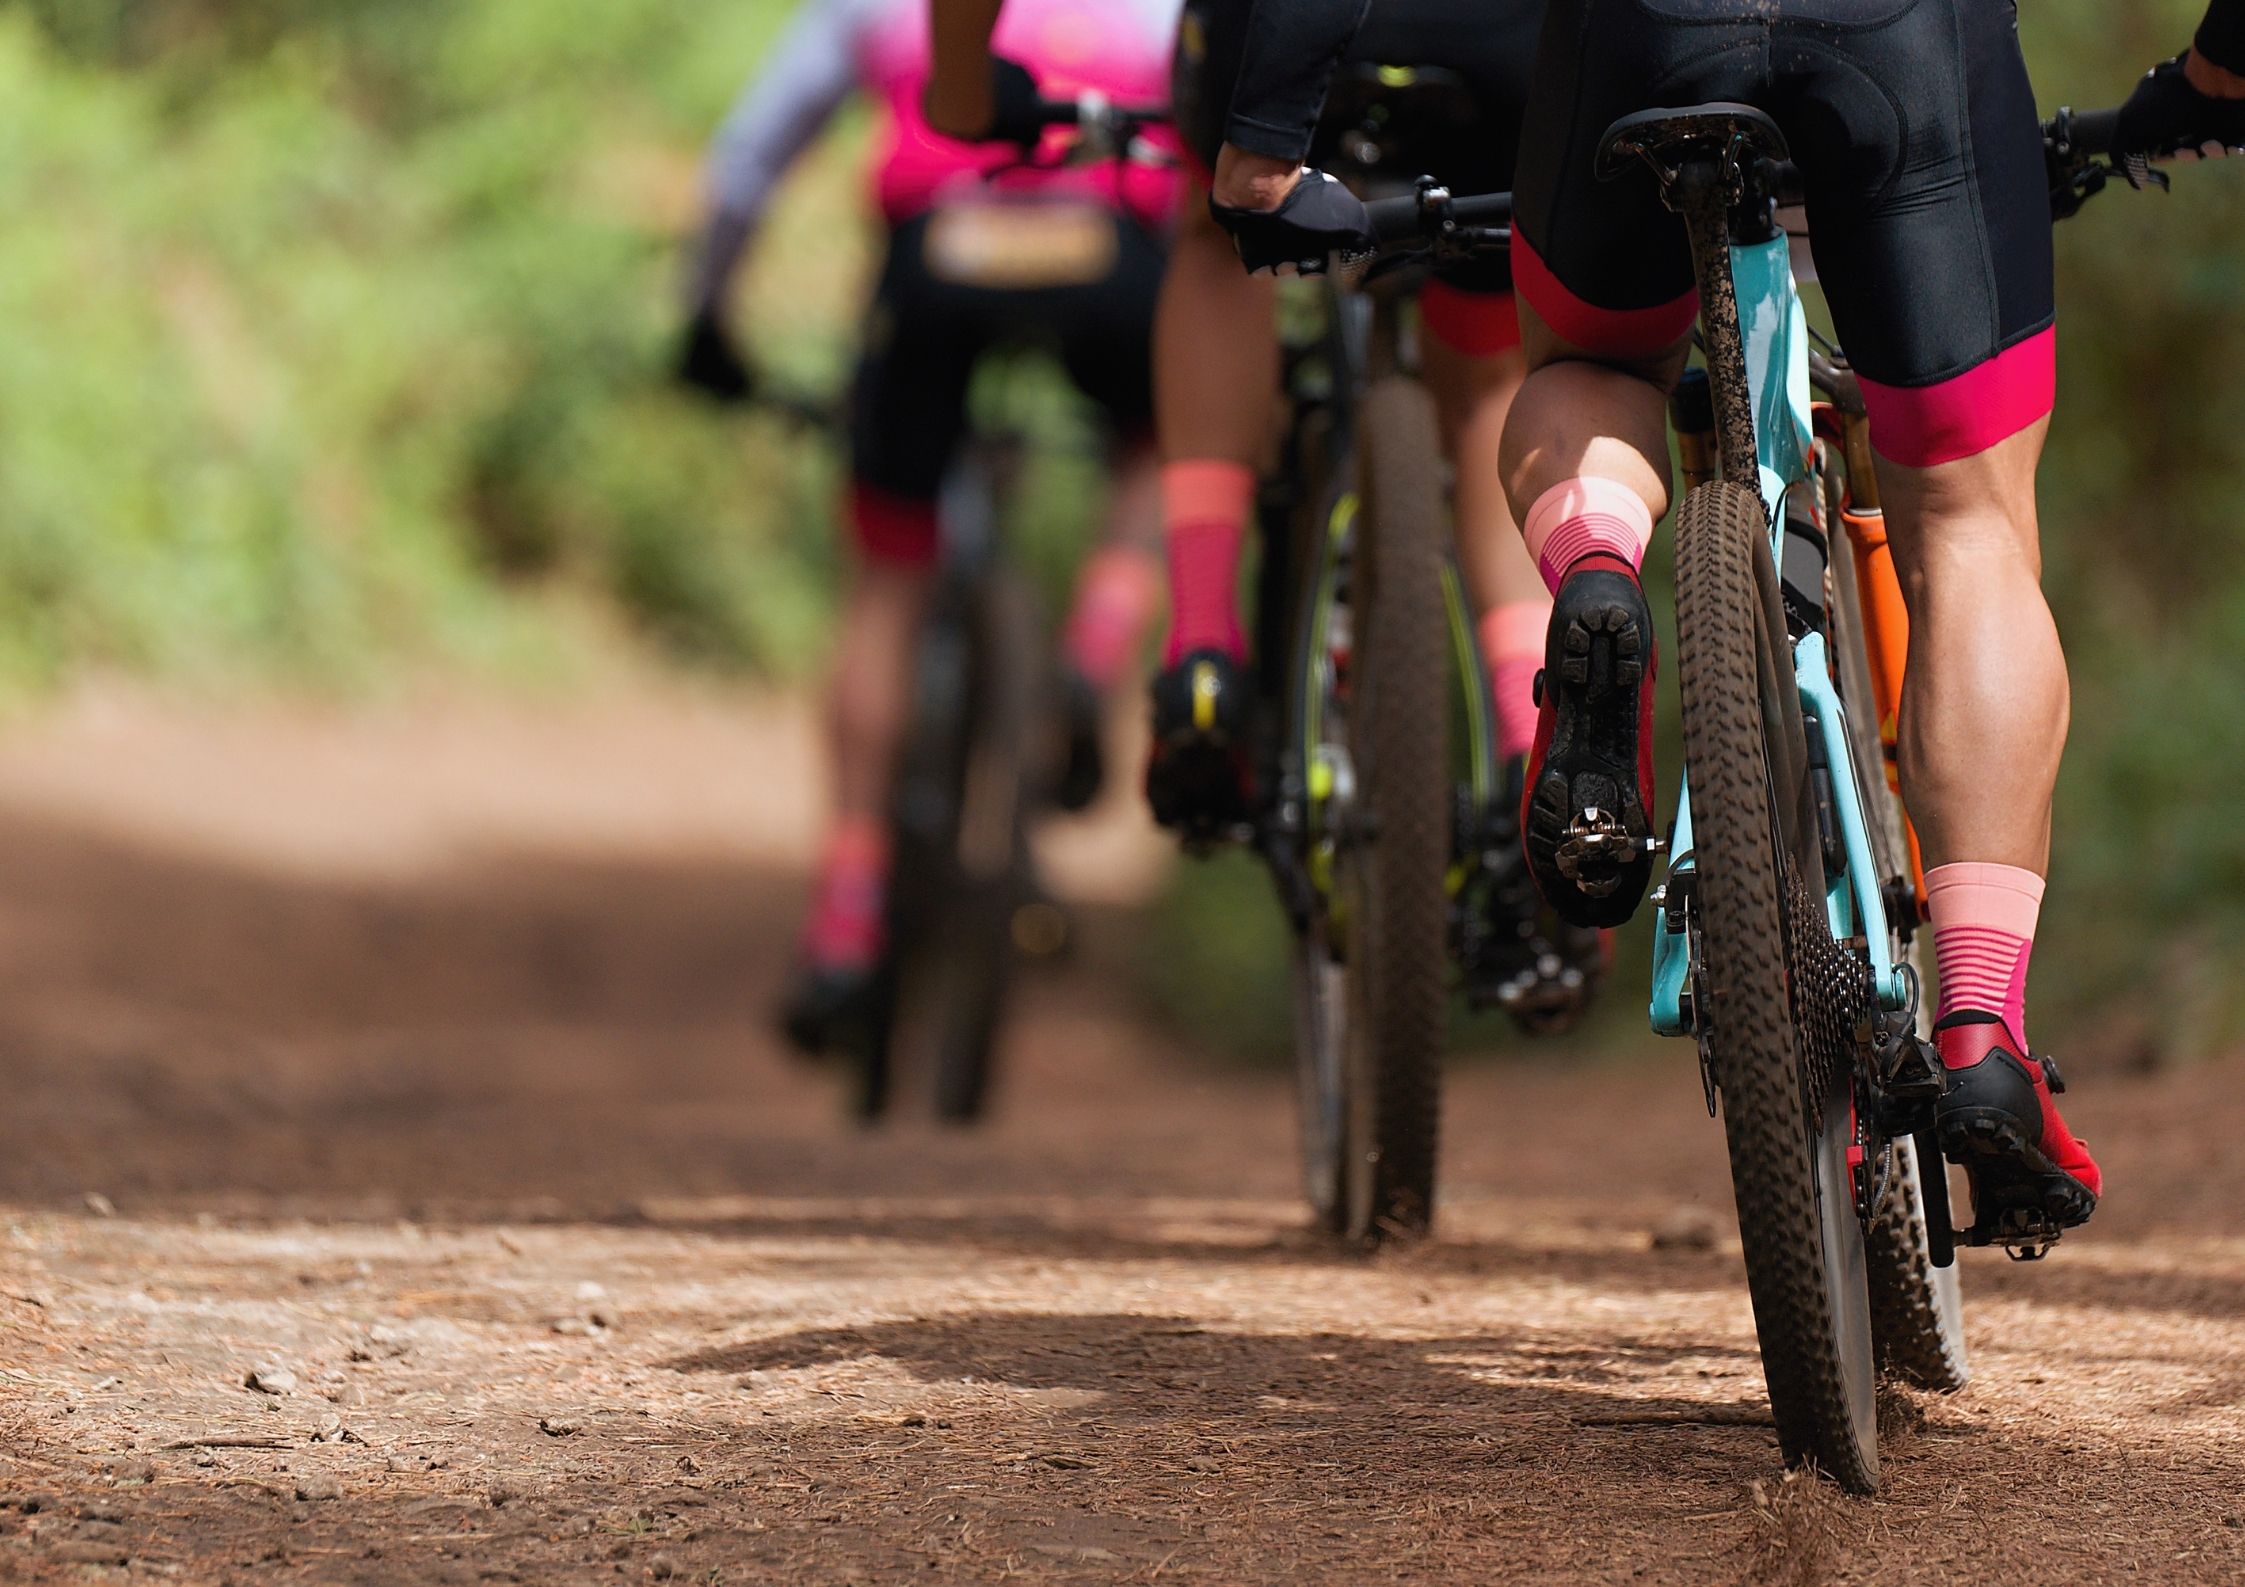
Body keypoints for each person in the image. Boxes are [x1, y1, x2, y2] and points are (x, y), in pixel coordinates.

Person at [1192, 0, 2245, 1239]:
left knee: (1586, 373)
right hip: (1905, 45)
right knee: (1964, 515)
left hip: (1640, 39)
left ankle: (1597, 566)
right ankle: (1977, 1026)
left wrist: (1262, 150)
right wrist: (2215, 74)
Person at [930, 0, 1609, 1017]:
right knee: (1484, 366)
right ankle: (1525, 738)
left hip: (1284, 49)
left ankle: (1201, 649)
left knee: (1214, 235)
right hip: (1500, 44)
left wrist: (964, 93)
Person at [678, 0, 1181, 1051]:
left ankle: (847, 916)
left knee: (888, 582)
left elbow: (746, 163)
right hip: (1111, 246)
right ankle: (1095, 644)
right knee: (1154, 446)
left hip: (938, 251)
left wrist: (708, 321)